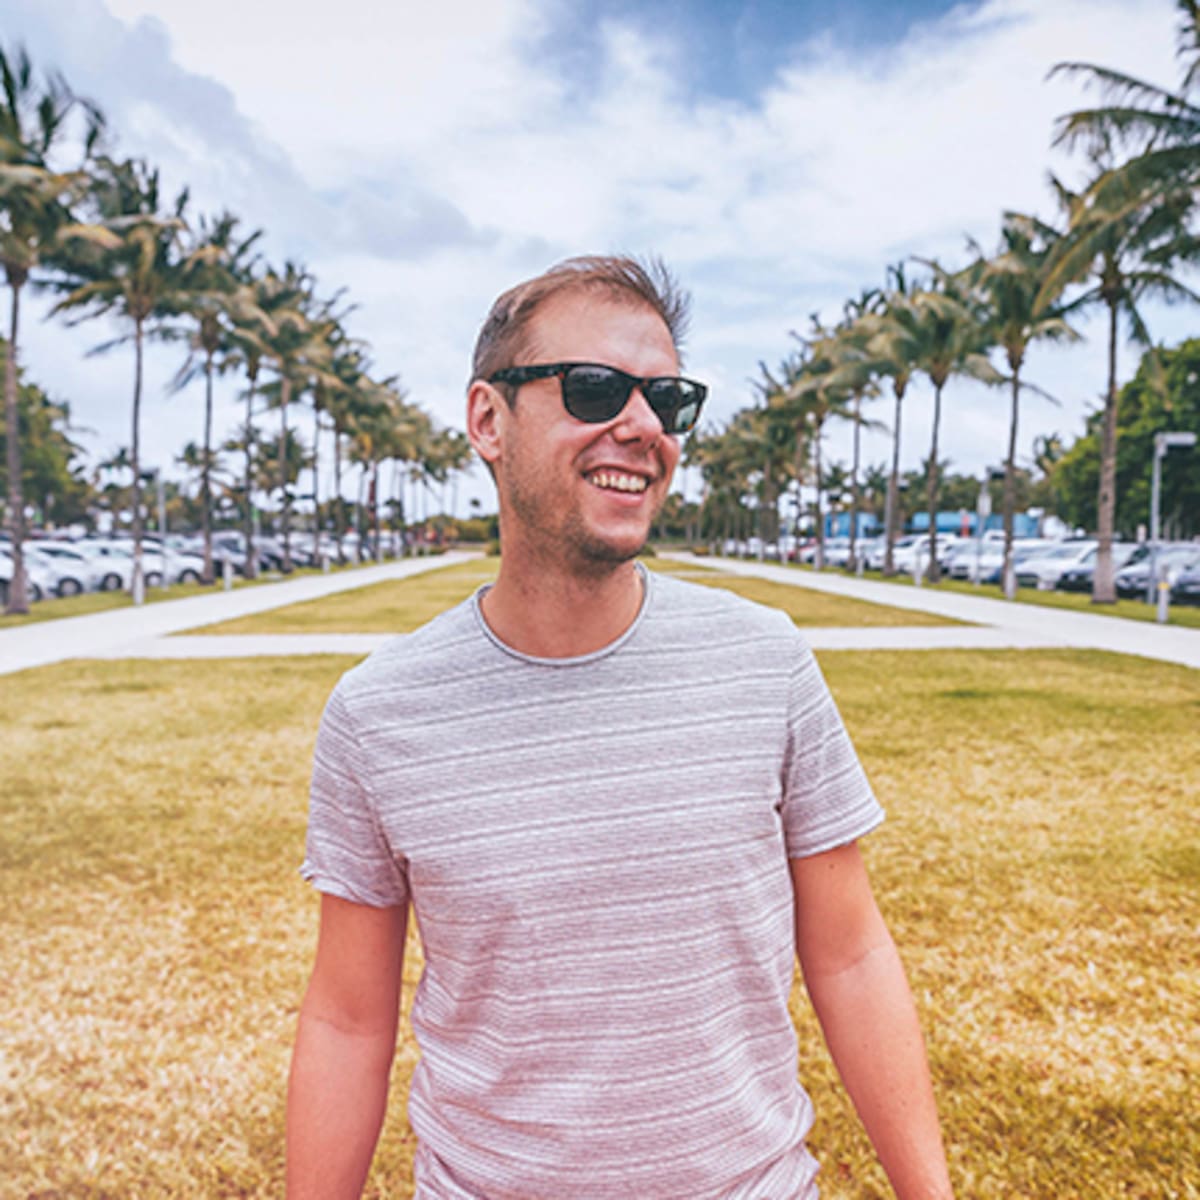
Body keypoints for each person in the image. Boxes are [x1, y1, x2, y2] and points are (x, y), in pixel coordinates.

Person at [286, 255, 954, 1200]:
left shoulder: (765, 662)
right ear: (488, 420)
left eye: (667, 400)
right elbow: (348, 1020)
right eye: (595, 389)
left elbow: (849, 955)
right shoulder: (379, 711)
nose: (642, 427)